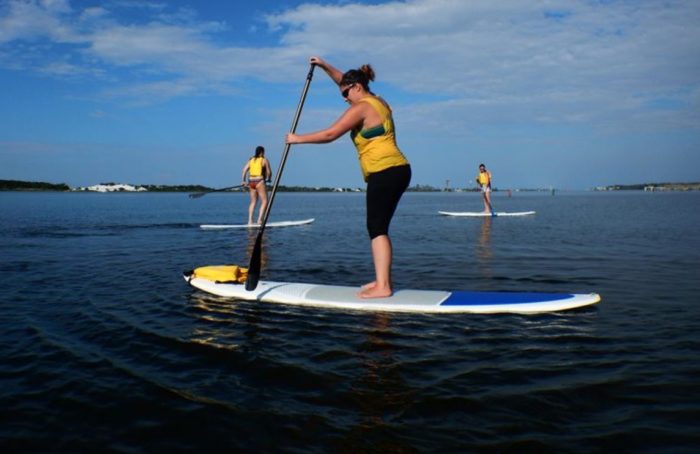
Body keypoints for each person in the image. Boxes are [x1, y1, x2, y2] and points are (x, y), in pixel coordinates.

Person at [286, 56, 411, 298]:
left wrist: (297, 139)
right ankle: (382, 281)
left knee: (377, 228)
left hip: (385, 171)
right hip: (397, 169)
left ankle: (383, 286)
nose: (343, 98)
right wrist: (323, 66)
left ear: (357, 87)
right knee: (378, 227)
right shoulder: (378, 101)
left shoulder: (362, 107)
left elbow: (331, 134)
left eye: (345, 93)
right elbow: (344, 81)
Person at [241, 145, 272, 225]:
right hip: (259, 181)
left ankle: (250, 221)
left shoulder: (251, 160)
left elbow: (244, 170)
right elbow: (269, 172)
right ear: (261, 152)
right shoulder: (264, 160)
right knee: (265, 201)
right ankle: (259, 220)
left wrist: (243, 181)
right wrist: (269, 179)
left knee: (253, 202)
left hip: (251, 182)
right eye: (263, 152)